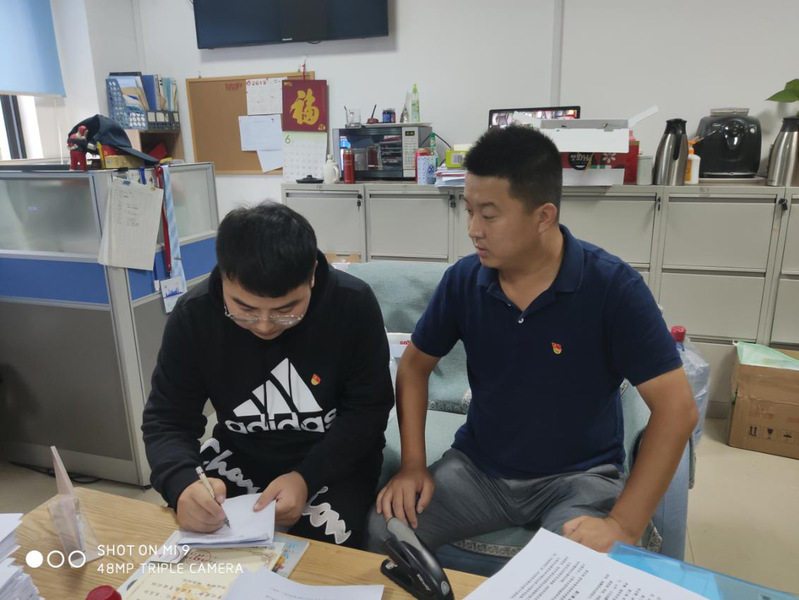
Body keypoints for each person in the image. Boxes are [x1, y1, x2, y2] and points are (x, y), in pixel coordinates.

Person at [367, 126, 698, 554]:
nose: (473, 229)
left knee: (574, 569)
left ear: (543, 216)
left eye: (489, 215)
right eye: (469, 211)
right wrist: (413, 465)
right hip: (479, 470)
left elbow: (677, 409)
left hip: (579, 478)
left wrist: (623, 524)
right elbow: (414, 367)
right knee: (384, 531)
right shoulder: (464, 281)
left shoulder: (612, 288)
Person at [142, 202, 393, 548]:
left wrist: (305, 477)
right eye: (244, 309)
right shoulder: (194, 315)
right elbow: (167, 420)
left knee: (324, 549)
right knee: (201, 541)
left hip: (335, 459)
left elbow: (368, 413)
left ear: (312, 275)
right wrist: (182, 483)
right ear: (224, 276)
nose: (263, 326)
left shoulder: (352, 305)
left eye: (286, 310)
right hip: (240, 454)